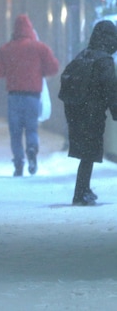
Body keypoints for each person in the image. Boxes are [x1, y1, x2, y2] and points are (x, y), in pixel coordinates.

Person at [0, 14, 59, 177]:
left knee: (15, 131)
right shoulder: (40, 48)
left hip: (14, 95)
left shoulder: (6, 49)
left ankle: (19, 163)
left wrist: (10, 71)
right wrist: (39, 72)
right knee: (31, 128)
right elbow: (53, 68)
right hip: (33, 96)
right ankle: (32, 150)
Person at [60, 20, 117, 206]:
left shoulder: (83, 55)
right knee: (89, 153)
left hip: (77, 110)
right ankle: (80, 193)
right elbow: (111, 89)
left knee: (87, 152)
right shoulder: (104, 61)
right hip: (92, 110)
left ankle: (84, 189)